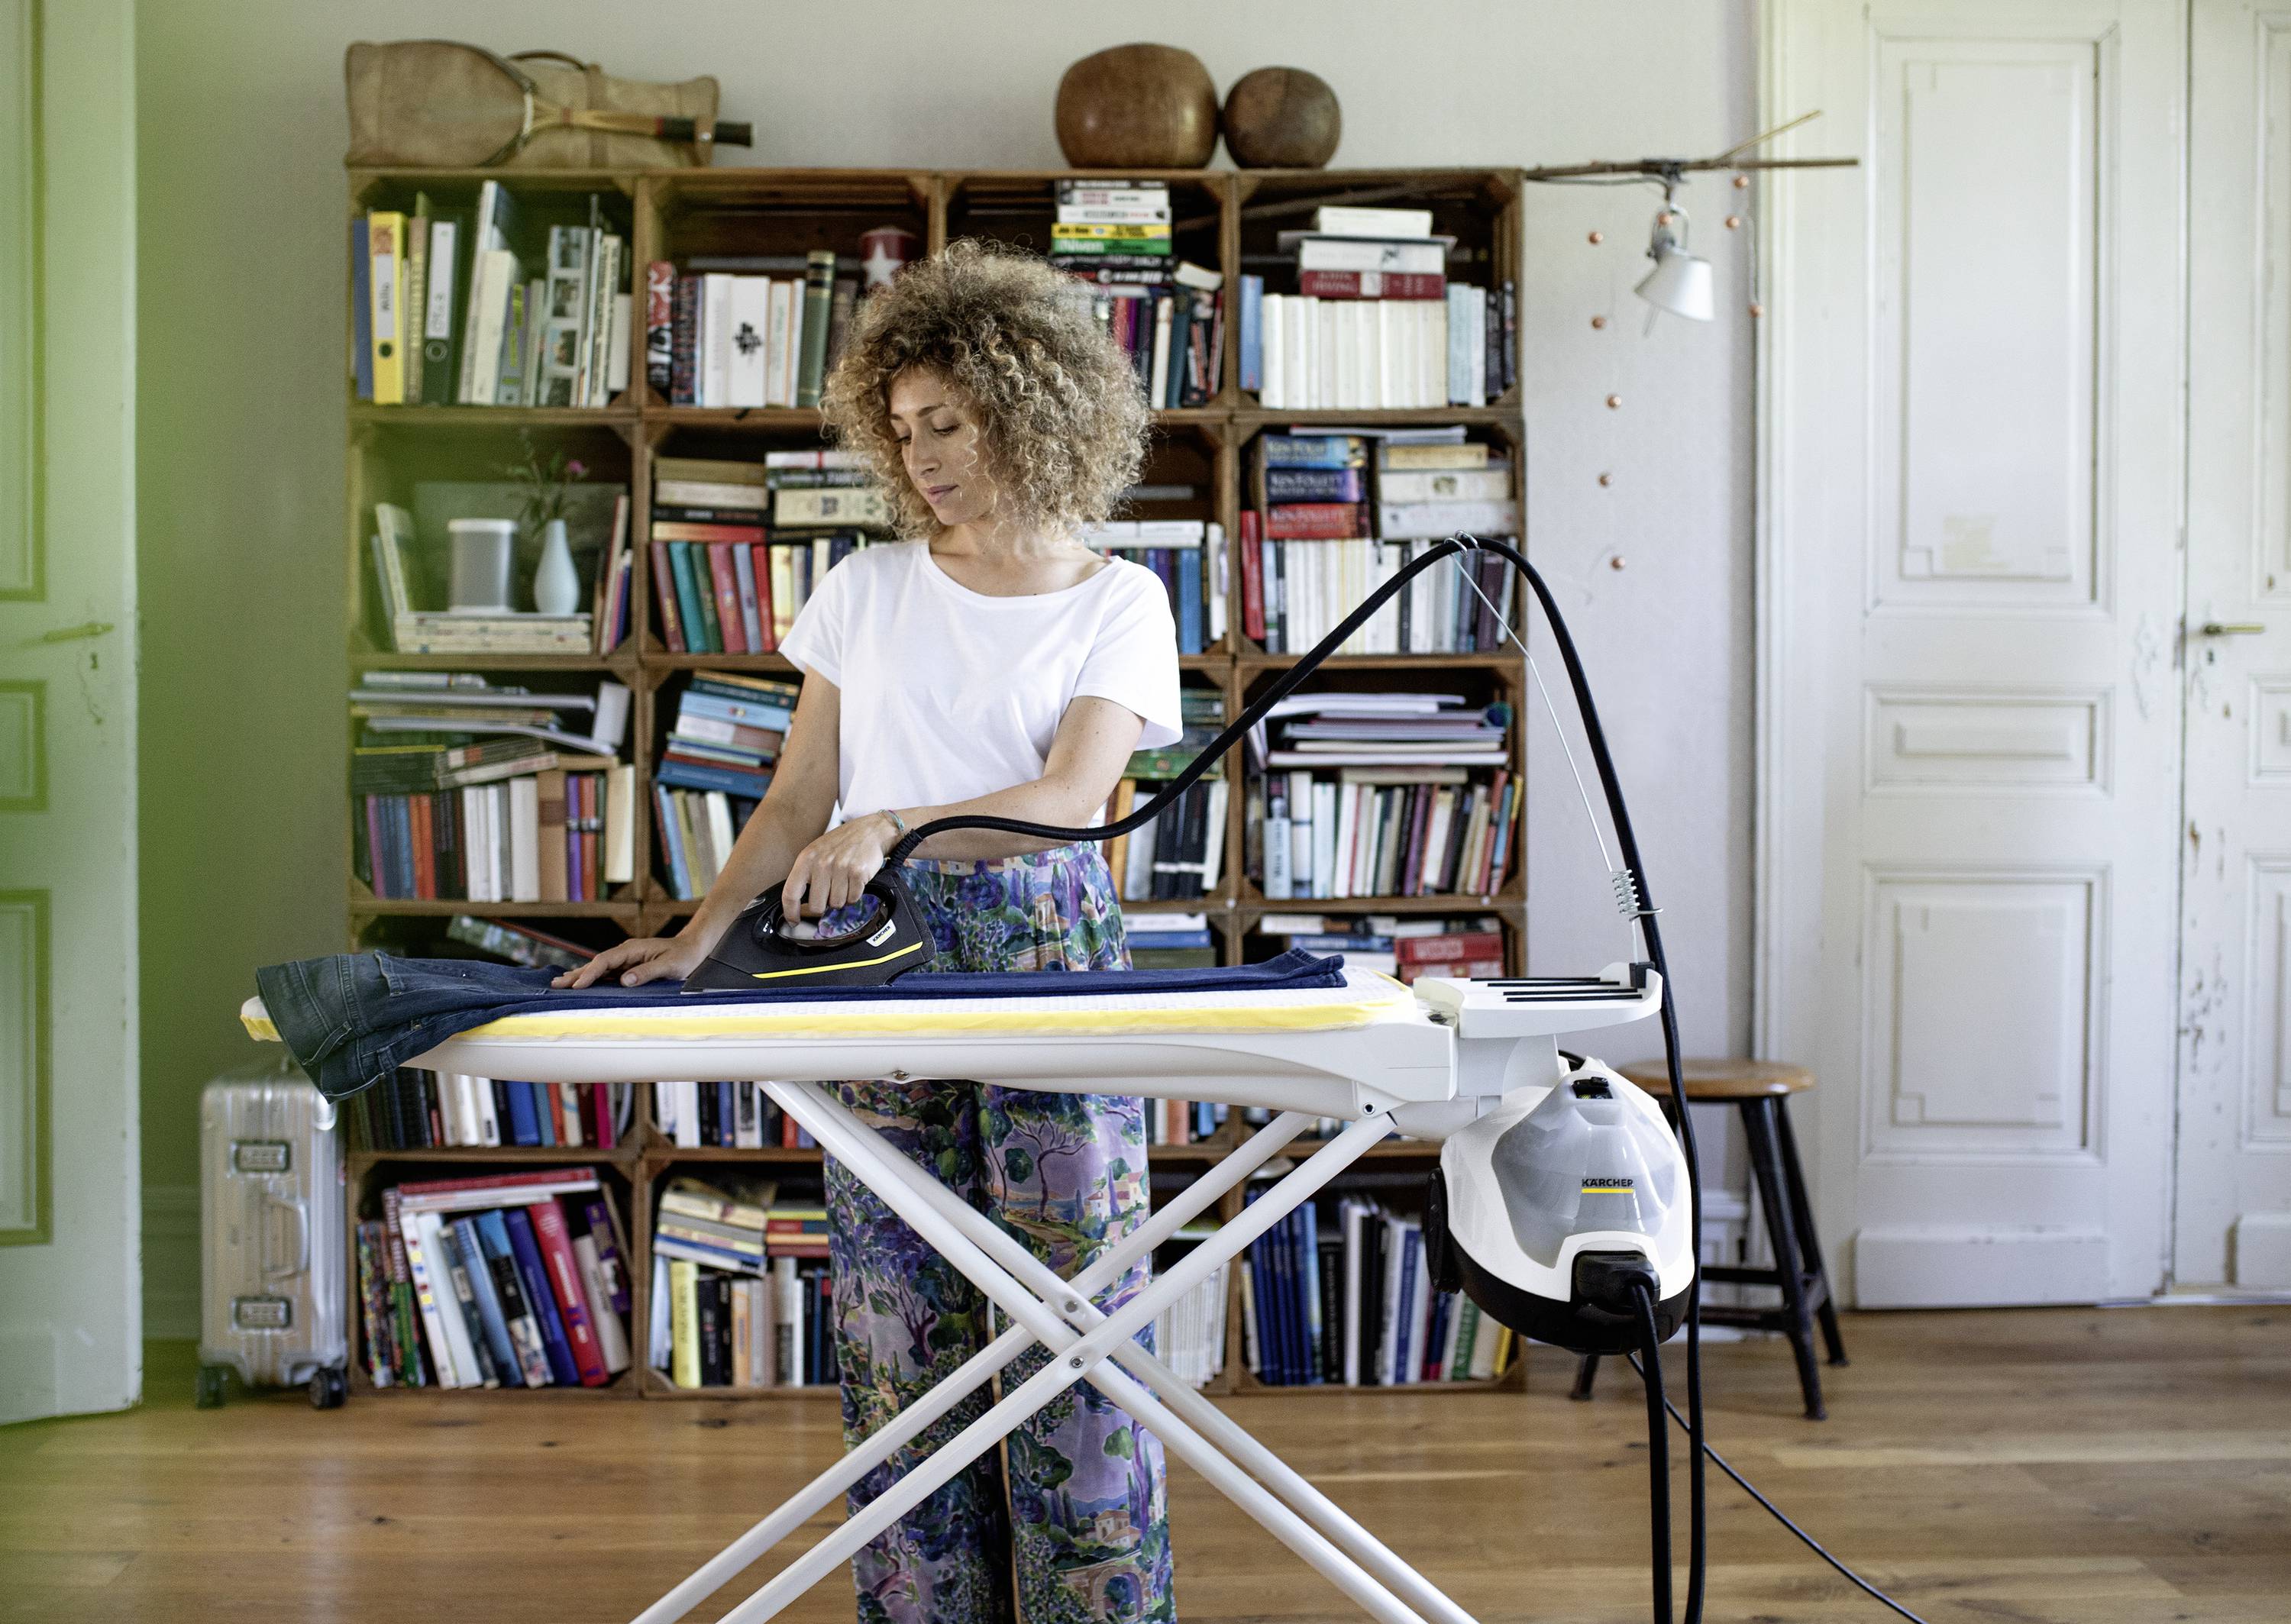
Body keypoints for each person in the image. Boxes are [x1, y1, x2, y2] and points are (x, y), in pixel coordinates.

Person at [557, 239, 1181, 1624]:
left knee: (1073, 1341)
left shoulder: (1119, 601)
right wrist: (701, 936)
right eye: (902, 433)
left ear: (1031, 405)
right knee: (905, 1343)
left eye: (948, 423)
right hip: (872, 968)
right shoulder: (866, 590)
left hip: (1049, 986)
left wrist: (892, 827)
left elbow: (1075, 799)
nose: (925, 457)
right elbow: (794, 804)